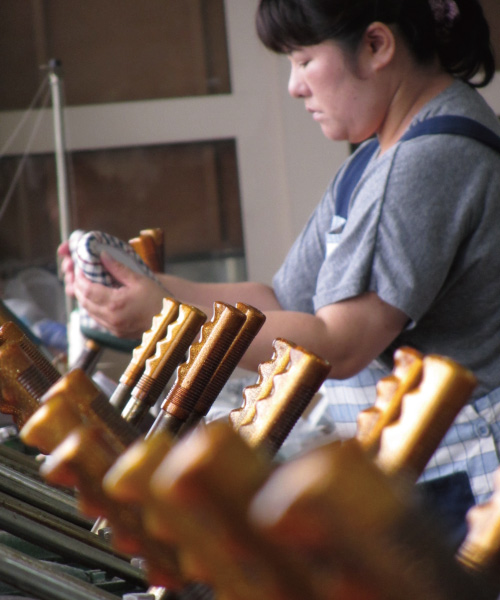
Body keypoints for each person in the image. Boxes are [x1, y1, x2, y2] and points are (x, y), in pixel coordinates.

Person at [59, 0, 500, 540]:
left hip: (468, 477)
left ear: (377, 45)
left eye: (303, 59)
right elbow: (283, 303)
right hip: (423, 468)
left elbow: (338, 345)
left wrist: (168, 312)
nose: (294, 87)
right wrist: (146, 288)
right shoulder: (373, 159)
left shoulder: (430, 159)